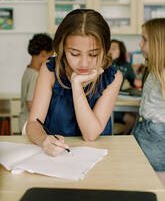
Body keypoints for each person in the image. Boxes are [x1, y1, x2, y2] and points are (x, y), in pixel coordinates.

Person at [26, 9, 123, 157]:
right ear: (62, 49)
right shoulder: (49, 70)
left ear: (105, 50)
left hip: (95, 157)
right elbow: (33, 124)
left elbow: (90, 135)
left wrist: (76, 86)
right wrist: (44, 140)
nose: (84, 63)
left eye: (93, 54)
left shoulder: (114, 77)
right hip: (55, 156)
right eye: (75, 54)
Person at [132, 18, 165, 171]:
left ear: (159, 44)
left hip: (156, 133)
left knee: (155, 177)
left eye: (144, 39)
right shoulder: (154, 68)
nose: (140, 44)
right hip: (144, 127)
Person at [19, 33, 54, 132]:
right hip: (29, 124)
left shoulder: (28, 70)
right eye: (50, 56)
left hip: (24, 120)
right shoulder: (36, 75)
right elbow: (30, 103)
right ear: (43, 54)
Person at [109, 39, 142, 135]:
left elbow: (133, 81)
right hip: (107, 103)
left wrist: (137, 81)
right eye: (109, 48)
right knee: (131, 119)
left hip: (117, 101)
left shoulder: (126, 66)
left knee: (134, 119)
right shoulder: (103, 63)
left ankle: (122, 138)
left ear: (121, 51)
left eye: (114, 48)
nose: (110, 51)